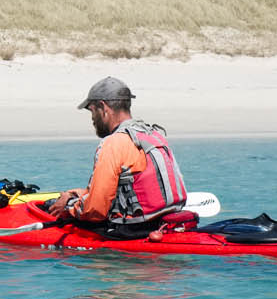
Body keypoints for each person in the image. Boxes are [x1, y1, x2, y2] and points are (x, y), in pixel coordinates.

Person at [43, 77, 187, 231]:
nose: (92, 118)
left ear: (102, 107)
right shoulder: (155, 135)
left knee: (52, 210)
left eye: (91, 110)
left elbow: (95, 211)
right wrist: (74, 194)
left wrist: (69, 206)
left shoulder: (113, 144)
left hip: (133, 230)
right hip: (166, 222)